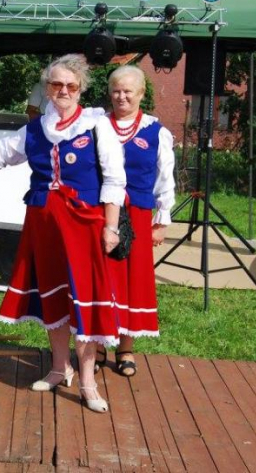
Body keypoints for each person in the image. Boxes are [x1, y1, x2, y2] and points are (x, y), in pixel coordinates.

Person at [0, 54, 126, 413]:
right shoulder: (34, 130)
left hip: (85, 226)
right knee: (52, 297)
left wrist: (111, 228)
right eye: (56, 85)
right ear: (47, 88)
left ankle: (87, 381)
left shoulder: (97, 125)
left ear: (81, 87)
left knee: (85, 302)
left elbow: (115, 180)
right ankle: (59, 367)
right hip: (43, 225)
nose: (63, 91)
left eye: (71, 85)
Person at [98, 65, 175, 377]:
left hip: (140, 214)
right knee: (102, 279)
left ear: (141, 94)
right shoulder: (97, 126)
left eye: (128, 90)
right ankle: (99, 343)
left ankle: (125, 349)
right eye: (116, 90)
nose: (121, 96)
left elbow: (165, 178)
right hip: (103, 213)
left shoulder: (157, 132)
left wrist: (162, 220)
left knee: (132, 282)